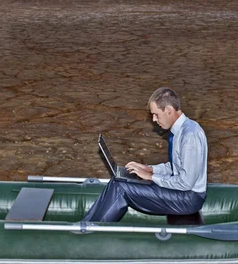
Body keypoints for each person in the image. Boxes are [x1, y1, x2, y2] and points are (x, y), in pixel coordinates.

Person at [82, 87, 208, 224]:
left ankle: (91, 231)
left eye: (156, 114)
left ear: (169, 110)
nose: (154, 119)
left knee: (121, 188)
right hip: (182, 193)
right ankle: (86, 223)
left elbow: (186, 182)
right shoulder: (181, 130)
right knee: (117, 181)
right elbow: (176, 166)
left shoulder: (189, 136)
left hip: (188, 198)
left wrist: (151, 177)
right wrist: (150, 169)